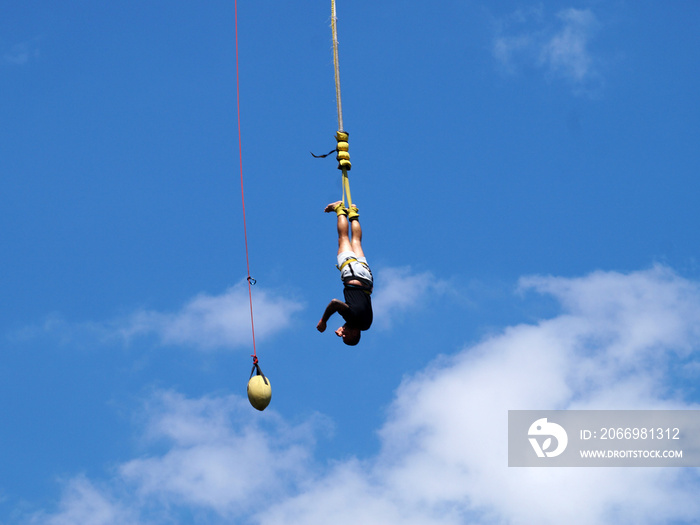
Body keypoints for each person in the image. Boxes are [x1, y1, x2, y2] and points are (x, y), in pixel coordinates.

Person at [316, 201, 373, 346]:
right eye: (344, 335)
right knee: (343, 238)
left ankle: (353, 213)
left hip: (366, 278)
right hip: (352, 275)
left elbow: (354, 309)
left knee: (357, 242)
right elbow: (335, 304)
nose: (341, 333)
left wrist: (343, 326)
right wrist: (324, 321)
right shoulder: (354, 320)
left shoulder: (365, 324)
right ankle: (339, 209)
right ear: (355, 333)